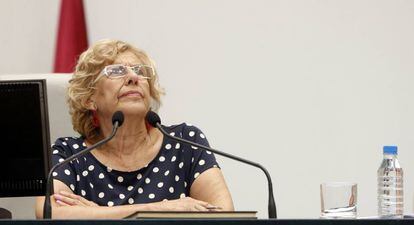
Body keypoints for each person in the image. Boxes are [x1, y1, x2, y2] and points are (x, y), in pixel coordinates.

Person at [35, 39, 234, 219]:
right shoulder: (70, 155)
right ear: (89, 98)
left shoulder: (185, 142)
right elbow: (48, 212)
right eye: (116, 71)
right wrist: (160, 210)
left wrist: (96, 213)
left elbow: (224, 215)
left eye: (140, 71)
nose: (133, 77)